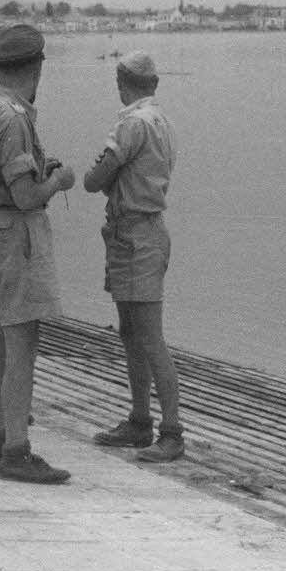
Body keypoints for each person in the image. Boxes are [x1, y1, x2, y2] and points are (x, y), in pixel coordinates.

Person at [0, 24, 75, 483]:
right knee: (21, 348)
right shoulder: (12, 117)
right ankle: (16, 451)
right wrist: (58, 181)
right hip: (11, 237)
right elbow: (26, 196)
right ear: (36, 68)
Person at [83, 51, 183, 462]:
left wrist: (99, 175)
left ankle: (171, 432)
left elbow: (94, 181)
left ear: (121, 83)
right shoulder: (162, 121)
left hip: (135, 236)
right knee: (132, 332)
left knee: (148, 337)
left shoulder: (131, 124)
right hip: (144, 231)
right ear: (153, 84)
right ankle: (140, 421)